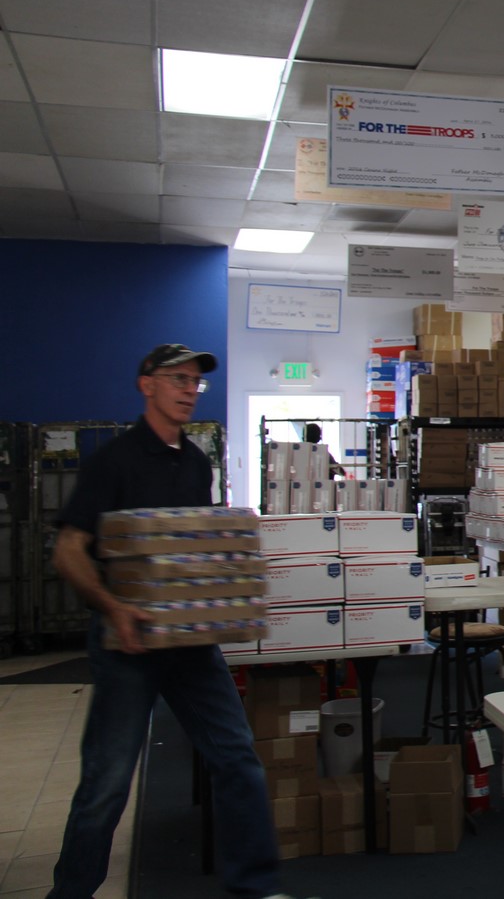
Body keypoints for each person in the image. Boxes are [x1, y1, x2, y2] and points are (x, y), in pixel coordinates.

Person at [48, 344, 311, 899]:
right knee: (108, 782)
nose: (190, 389)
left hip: (190, 644)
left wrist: (223, 597)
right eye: (178, 379)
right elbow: (69, 549)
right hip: (128, 646)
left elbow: (191, 550)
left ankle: (255, 887)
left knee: (238, 759)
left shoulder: (194, 462)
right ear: (147, 385)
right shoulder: (114, 461)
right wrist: (115, 608)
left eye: (196, 382)